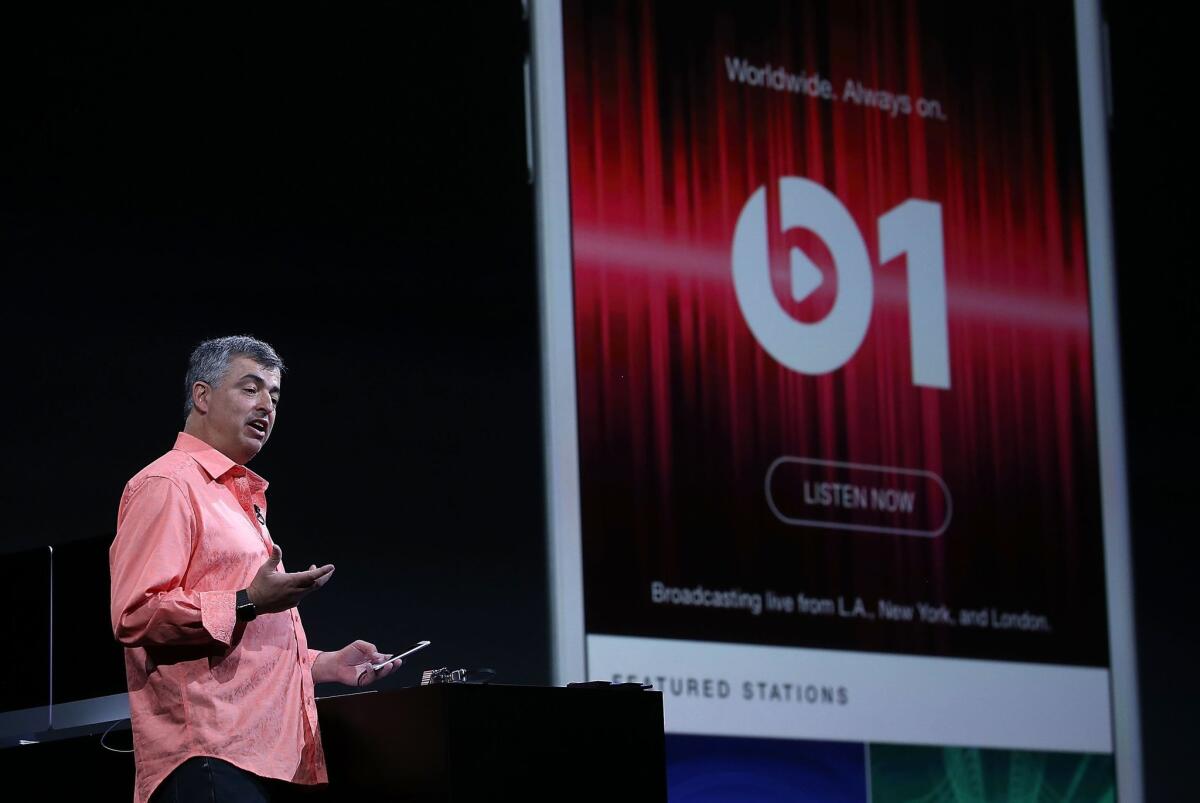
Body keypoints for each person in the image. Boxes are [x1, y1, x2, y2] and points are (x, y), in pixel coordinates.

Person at [109, 335, 397, 803]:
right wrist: (249, 601)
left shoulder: (237, 499)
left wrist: (324, 665)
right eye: (250, 389)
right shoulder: (167, 484)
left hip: (261, 758)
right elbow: (136, 613)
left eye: (275, 396)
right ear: (202, 396)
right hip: (208, 758)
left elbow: (245, 640)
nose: (266, 405)